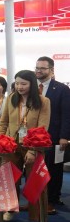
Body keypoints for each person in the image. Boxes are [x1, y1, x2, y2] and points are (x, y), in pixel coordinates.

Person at [0, 70, 50, 222]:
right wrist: (0, 141)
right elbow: (3, 122)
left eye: (24, 84)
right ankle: (10, 209)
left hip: (34, 145)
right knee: (9, 179)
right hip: (12, 145)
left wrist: (33, 150)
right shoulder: (12, 98)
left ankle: (40, 218)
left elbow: (42, 128)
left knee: (36, 182)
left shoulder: (43, 101)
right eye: (17, 83)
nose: (19, 86)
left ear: (32, 84)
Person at [34, 57, 70, 210]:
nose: (39, 71)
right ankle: (35, 199)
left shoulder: (62, 89)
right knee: (34, 168)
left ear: (51, 70)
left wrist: (64, 136)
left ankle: (52, 199)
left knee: (54, 169)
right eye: (37, 68)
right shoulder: (30, 87)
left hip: (54, 136)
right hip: (33, 137)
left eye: (43, 68)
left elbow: (66, 114)